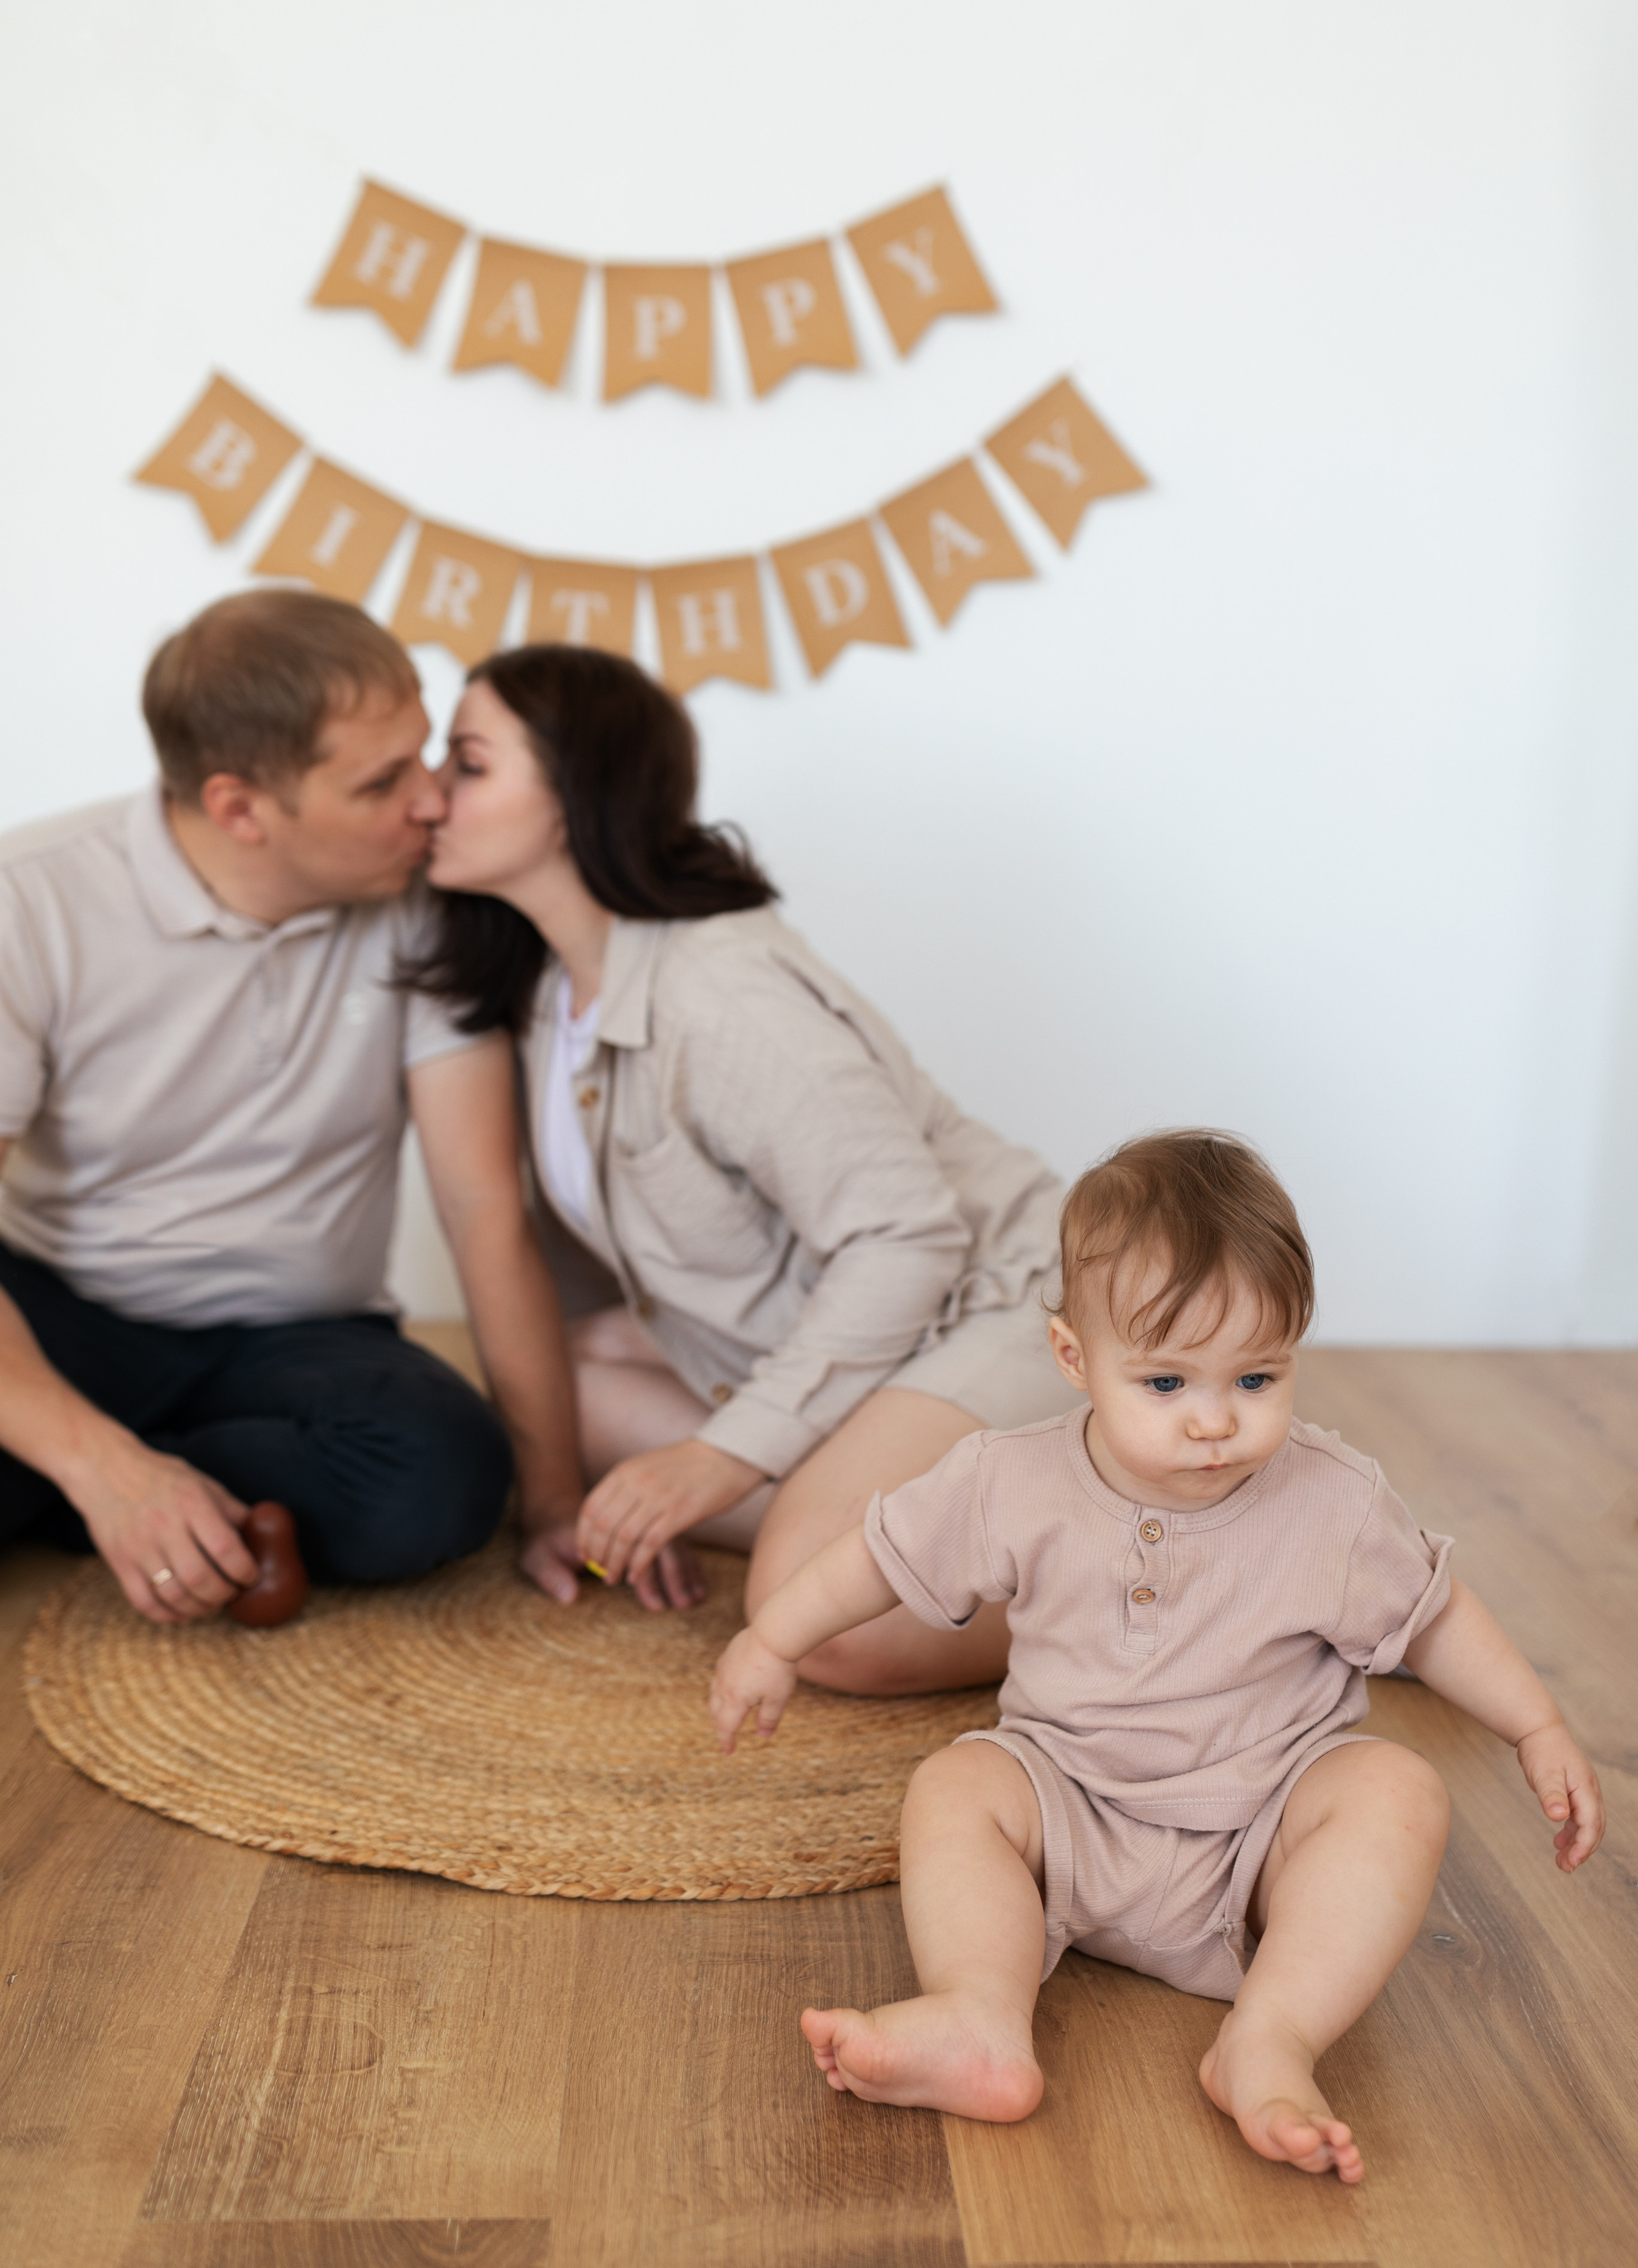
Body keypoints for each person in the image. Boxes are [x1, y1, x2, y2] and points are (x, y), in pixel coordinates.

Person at [709, 1130, 1605, 2178]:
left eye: (1258, 1376)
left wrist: (1535, 1725)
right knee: (957, 1785)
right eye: (1169, 1384)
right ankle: (980, 2018)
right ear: (1074, 1360)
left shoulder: (1332, 1499)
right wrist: (774, 1638)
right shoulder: (1010, 1478)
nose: (1217, 1421)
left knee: (1396, 1793)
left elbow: (1437, 1615)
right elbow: (878, 1552)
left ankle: (1270, 2036)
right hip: (1070, 1806)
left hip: (1258, 1836)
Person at [413, 642, 1081, 1685]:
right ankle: (952, 1501)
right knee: (550, 1390)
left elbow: (908, 1237)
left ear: (572, 796)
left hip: (1002, 1303)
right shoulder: (550, 995)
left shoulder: (716, 993)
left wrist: (717, 1459)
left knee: (817, 1613)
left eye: (466, 763)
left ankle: (1187, 1564)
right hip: (862, 1338)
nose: (427, 795)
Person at [0, 590, 585, 1622]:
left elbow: (482, 1208)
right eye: (383, 781)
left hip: (298, 1334)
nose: (434, 802)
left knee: (440, 1481)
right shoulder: (28, 899)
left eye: (426, 755)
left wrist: (551, 1506)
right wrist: (101, 1466)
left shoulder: (424, 899)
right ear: (240, 809)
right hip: (62, 1313)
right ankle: (112, 1486)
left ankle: (113, 1492)